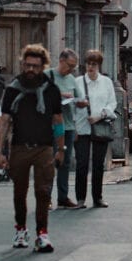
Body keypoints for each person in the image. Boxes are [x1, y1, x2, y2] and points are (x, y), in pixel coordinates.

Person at [0, 44, 65, 252]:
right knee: (19, 192)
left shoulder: (51, 89)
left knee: (43, 192)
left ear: (43, 66)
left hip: (44, 147)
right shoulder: (12, 89)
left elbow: (58, 121)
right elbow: (5, 121)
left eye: (35, 66)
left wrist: (61, 149)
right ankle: (20, 229)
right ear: (22, 64)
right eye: (27, 65)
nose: (30, 70)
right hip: (19, 146)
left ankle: (42, 234)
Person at [73, 49, 117, 208]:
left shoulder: (106, 82)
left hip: (100, 126)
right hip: (81, 127)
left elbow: (112, 103)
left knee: (98, 164)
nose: (90, 67)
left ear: (99, 65)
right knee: (82, 163)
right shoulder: (77, 82)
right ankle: (80, 199)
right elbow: (71, 104)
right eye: (88, 64)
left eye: (94, 64)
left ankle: (97, 197)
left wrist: (100, 115)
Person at [46, 49, 81, 209]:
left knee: (65, 162)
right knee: (49, 161)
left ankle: (63, 196)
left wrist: (80, 101)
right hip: (50, 125)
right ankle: (46, 197)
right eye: (70, 65)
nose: (71, 69)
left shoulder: (72, 80)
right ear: (61, 60)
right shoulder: (48, 76)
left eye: (74, 67)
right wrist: (59, 95)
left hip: (67, 125)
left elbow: (79, 98)